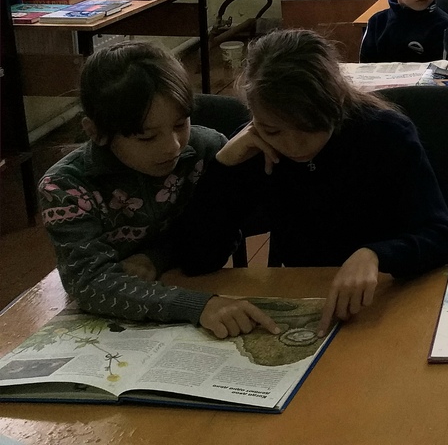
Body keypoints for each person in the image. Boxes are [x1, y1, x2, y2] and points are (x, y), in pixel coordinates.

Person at [180, 29, 448, 332]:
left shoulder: (385, 134)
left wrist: (377, 254)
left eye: (309, 127)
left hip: (386, 297)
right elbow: (196, 259)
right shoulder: (256, 146)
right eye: (273, 130)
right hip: (308, 295)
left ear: (336, 102)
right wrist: (223, 166)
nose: (293, 146)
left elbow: (442, 235)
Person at [38, 43, 278, 338]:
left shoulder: (207, 150)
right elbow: (89, 282)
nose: (173, 147)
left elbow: (222, 236)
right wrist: (197, 306)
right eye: (147, 138)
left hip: (196, 284)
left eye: (180, 124)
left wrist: (156, 257)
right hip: (126, 316)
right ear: (95, 132)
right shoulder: (64, 186)